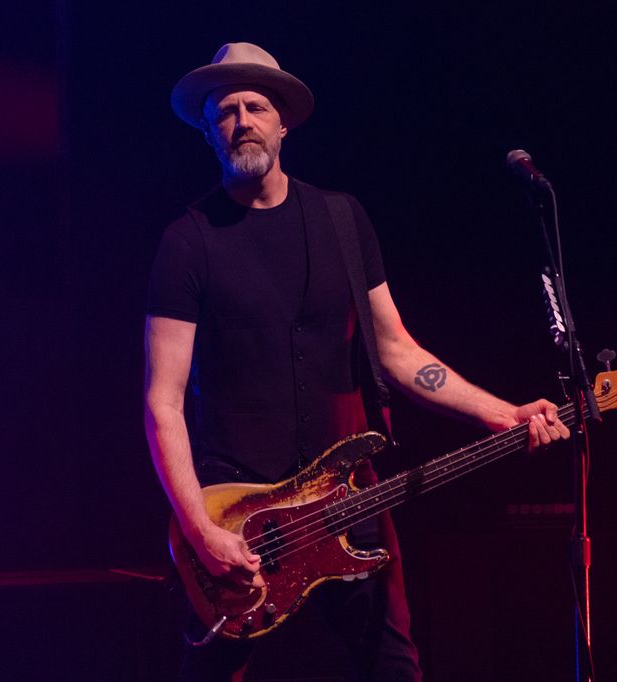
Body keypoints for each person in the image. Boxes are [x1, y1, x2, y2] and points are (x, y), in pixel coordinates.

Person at [144, 42, 569, 682]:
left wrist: (504, 414)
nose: (241, 121)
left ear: (283, 122)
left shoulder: (342, 219)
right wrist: (200, 529)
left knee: (393, 667)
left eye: (254, 106)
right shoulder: (186, 243)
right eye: (225, 110)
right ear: (207, 130)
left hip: (346, 495)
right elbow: (163, 401)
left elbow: (397, 350)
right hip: (238, 510)